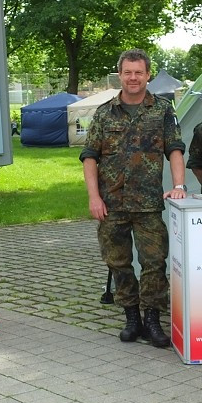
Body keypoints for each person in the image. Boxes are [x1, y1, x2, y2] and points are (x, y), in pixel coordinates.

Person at [80, 48, 187, 348]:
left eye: (139, 72)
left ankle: (152, 318)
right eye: (128, 72)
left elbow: (175, 149)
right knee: (118, 263)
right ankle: (131, 318)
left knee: (154, 262)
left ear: (148, 75)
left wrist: (179, 184)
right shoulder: (104, 113)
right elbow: (90, 157)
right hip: (111, 205)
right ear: (120, 75)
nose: (133, 78)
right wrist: (94, 198)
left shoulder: (163, 110)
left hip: (148, 204)